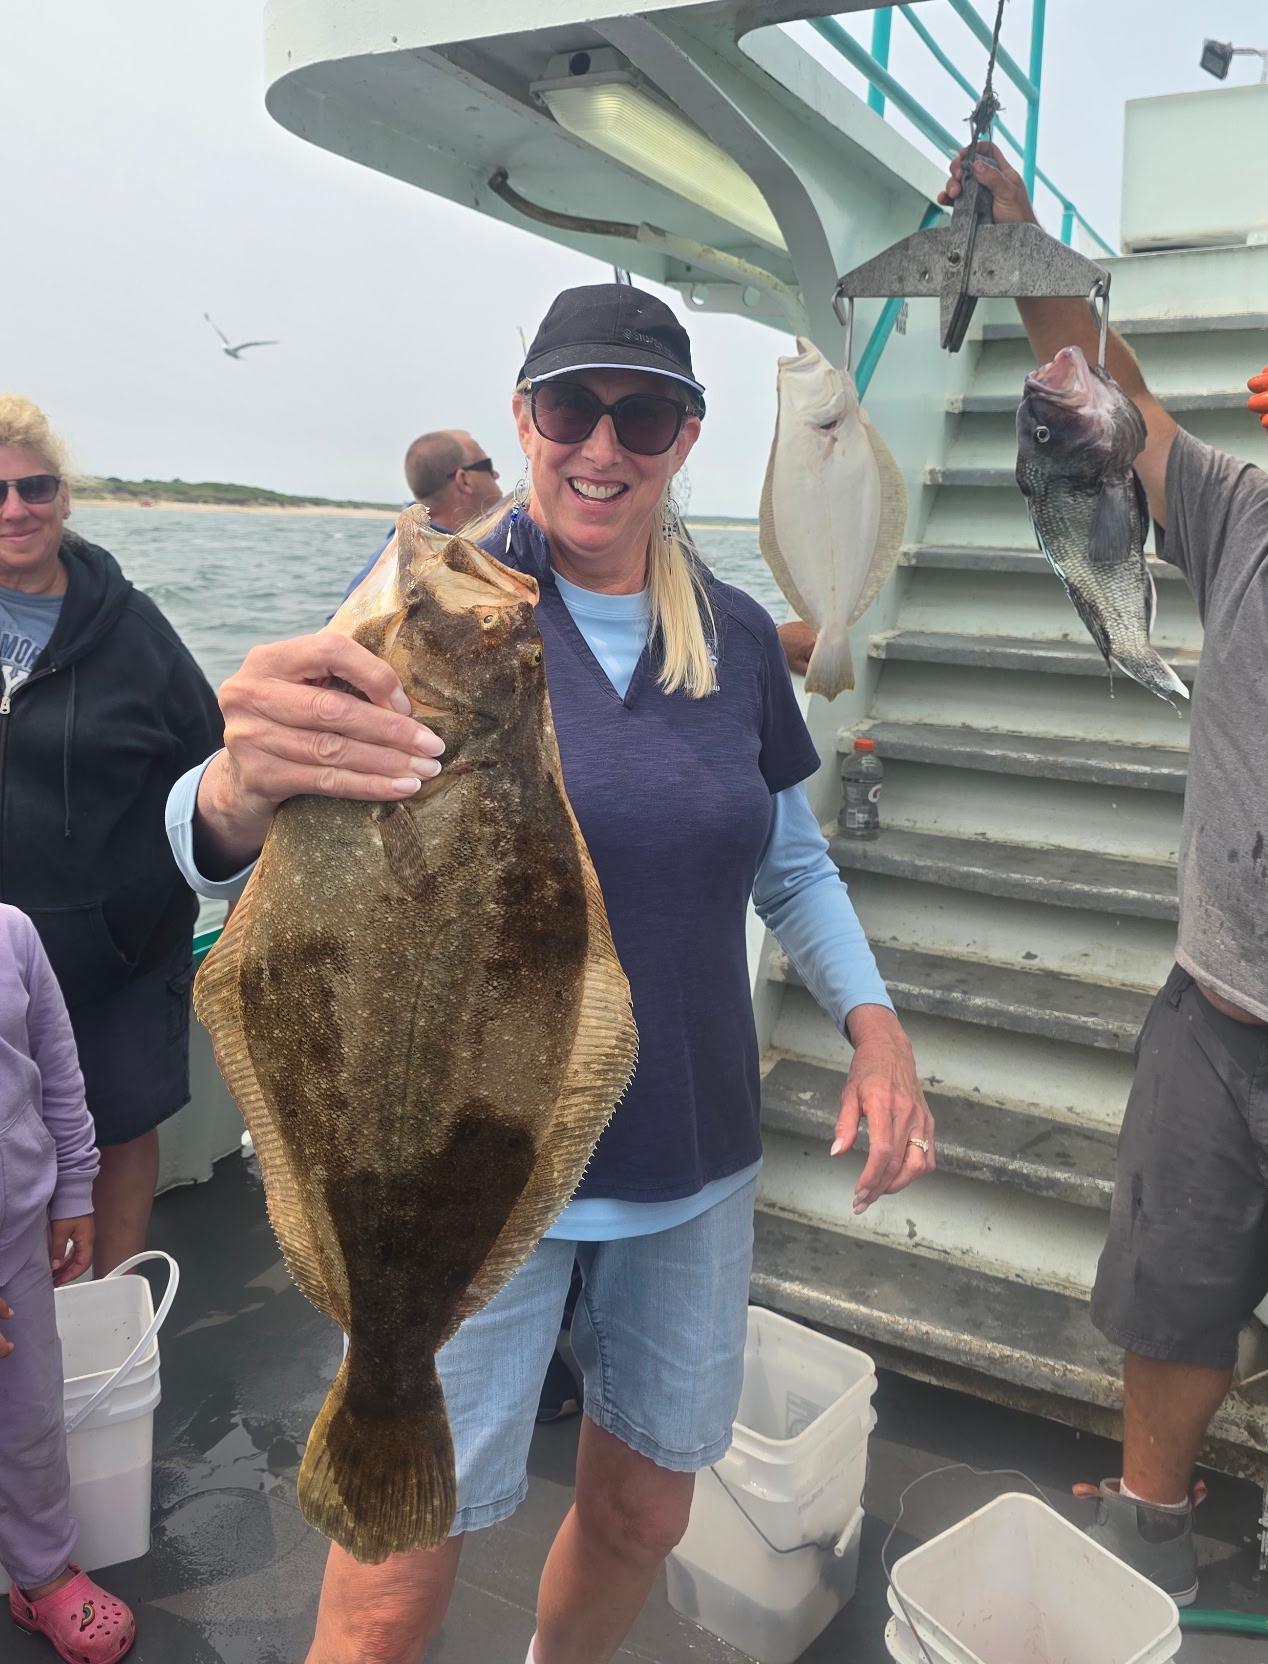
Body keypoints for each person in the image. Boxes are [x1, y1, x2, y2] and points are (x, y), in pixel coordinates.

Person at [166, 283, 935, 1664]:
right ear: (523, 418)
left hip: (687, 1155)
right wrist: (230, 788)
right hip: (448, 1159)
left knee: (643, 1512)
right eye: (572, 406)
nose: (602, 444)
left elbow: (791, 864)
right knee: (391, 1582)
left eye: (643, 415)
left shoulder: (737, 640)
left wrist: (875, 1029)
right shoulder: (421, 611)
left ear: (686, 437)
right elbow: (233, 827)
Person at [941, 144, 1268, 1606]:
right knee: (1170, 1286)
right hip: (1216, 1004)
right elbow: (1104, 394)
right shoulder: (1242, 515)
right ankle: (1151, 1521)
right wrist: (1018, 240)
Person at [0, 395, 223, 1274]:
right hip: (2, 959)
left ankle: (116, 1315)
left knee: (120, 1127)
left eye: (35, 487)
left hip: (120, 951)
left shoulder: (133, 630)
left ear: (64, 496)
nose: (15, 508)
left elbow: (213, 770)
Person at [0, 904, 136, 1662]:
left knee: (28, 1421)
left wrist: (74, 1189)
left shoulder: (13, 934)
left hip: (15, 1241)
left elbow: (56, 1067)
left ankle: (41, 1572)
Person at [343, 429, 502, 597]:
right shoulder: (422, 566)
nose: (496, 474)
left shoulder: (393, 556)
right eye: (487, 466)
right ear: (463, 480)